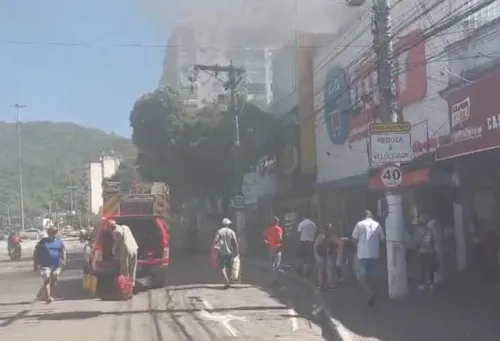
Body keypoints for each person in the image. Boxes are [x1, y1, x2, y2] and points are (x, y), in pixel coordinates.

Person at [352, 210, 384, 307]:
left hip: (362, 254)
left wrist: (357, 247)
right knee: (373, 276)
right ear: (371, 216)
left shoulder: (359, 224)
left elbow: (354, 239)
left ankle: (370, 293)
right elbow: (382, 239)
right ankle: (373, 294)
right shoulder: (377, 225)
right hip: (375, 254)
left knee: (362, 277)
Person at [34, 226, 66, 303]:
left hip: (56, 265)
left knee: (54, 279)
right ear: (49, 233)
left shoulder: (59, 241)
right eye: (52, 233)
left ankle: (50, 294)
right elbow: (36, 251)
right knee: (47, 279)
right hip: (45, 265)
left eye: (55, 232)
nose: (54, 234)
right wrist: (35, 262)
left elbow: (63, 250)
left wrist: (64, 259)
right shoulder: (43, 241)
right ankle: (48, 297)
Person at [108, 219, 139, 287]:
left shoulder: (116, 231)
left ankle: (126, 286)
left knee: (125, 270)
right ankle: (132, 284)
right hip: (134, 248)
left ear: (111, 227)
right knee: (133, 268)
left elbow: (116, 244)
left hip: (126, 250)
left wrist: (113, 252)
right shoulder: (125, 227)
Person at [213, 218, 239, 289]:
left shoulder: (219, 232)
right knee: (230, 267)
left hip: (221, 252)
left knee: (222, 268)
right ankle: (229, 282)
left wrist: (218, 243)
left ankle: (226, 281)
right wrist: (237, 252)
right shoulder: (232, 232)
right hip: (230, 252)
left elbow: (215, 240)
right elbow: (235, 243)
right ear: (228, 224)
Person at [314, 224, 341, 290]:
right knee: (329, 270)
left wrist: (316, 255)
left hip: (322, 254)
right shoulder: (333, 237)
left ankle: (322, 284)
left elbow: (316, 246)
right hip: (328, 255)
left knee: (322, 270)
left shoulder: (321, 236)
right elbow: (338, 245)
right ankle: (329, 284)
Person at [416, 214, 438, 290]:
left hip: (422, 251)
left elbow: (417, 241)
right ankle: (430, 282)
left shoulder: (418, 230)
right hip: (430, 251)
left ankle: (423, 283)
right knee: (429, 267)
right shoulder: (430, 230)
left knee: (423, 268)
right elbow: (432, 240)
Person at [263, 217, 283, 285]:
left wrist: (268, 242)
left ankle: (272, 279)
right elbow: (280, 238)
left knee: (271, 264)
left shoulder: (268, 229)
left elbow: (264, 238)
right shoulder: (278, 229)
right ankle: (276, 279)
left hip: (271, 248)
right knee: (277, 264)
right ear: (277, 222)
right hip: (277, 248)